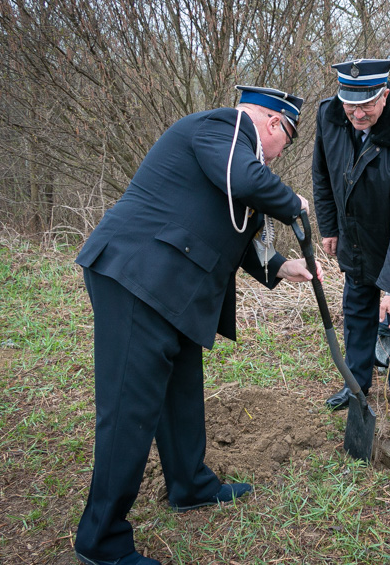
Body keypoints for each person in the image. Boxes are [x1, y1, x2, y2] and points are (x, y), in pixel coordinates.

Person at [73, 86, 319, 565]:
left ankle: (189, 485)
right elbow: (246, 182)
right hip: (137, 277)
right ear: (272, 124)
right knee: (129, 408)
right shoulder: (222, 129)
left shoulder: (235, 159)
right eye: (284, 142)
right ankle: (99, 540)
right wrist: (293, 204)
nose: (278, 154)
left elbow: (239, 229)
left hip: (172, 290)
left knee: (180, 393)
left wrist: (280, 267)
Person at [312, 58, 390, 416]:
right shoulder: (329, 115)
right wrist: (329, 227)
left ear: (384, 95)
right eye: (350, 104)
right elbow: (322, 173)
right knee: (357, 308)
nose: (357, 114)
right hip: (352, 234)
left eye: (366, 104)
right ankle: (357, 382)